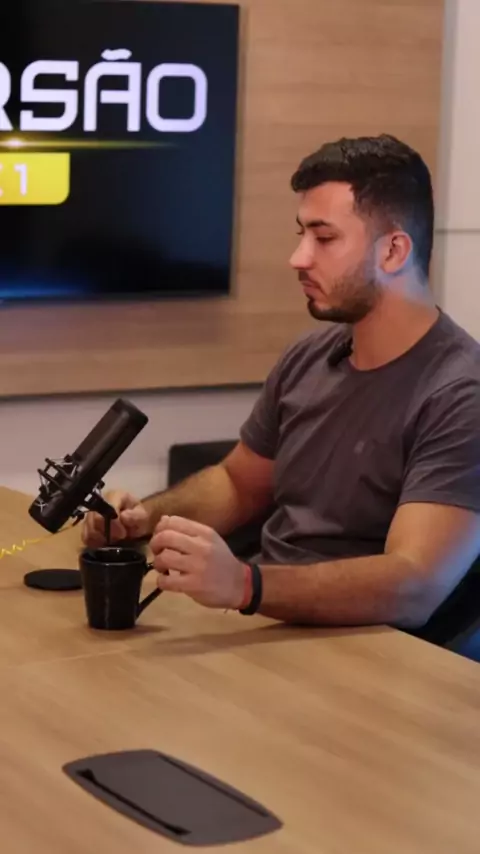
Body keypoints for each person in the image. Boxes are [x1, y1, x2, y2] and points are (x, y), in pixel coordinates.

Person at [83, 133, 480, 631]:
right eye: (301, 234)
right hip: (270, 623)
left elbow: (414, 584)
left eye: (324, 238)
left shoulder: (460, 393)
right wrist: (143, 520)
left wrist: (245, 585)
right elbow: (237, 484)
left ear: (394, 251)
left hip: (371, 649)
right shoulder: (307, 357)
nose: (299, 257)